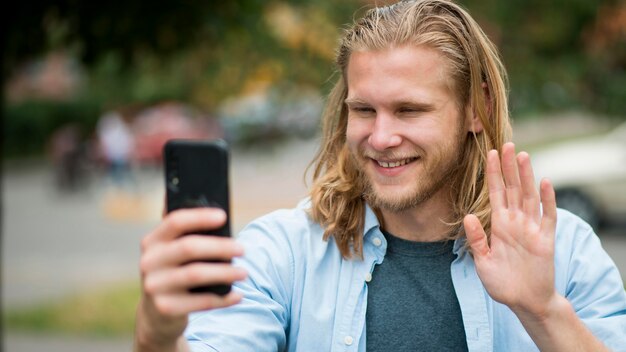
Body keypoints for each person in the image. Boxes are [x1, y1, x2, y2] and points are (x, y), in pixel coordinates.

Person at [134, 1, 626, 351]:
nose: (380, 137)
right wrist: (158, 337)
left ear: (478, 108)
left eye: (409, 110)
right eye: (364, 109)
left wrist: (543, 311)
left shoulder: (566, 253)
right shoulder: (282, 254)